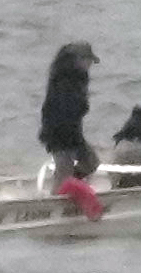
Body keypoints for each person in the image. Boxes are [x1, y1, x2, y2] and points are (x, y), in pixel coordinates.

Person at [38, 42, 100, 178]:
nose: (90, 65)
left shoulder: (77, 79)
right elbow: (63, 111)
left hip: (73, 133)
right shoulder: (64, 81)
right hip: (59, 134)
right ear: (77, 60)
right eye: (87, 60)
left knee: (91, 162)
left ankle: (71, 187)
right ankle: (62, 193)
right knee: (64, 172)